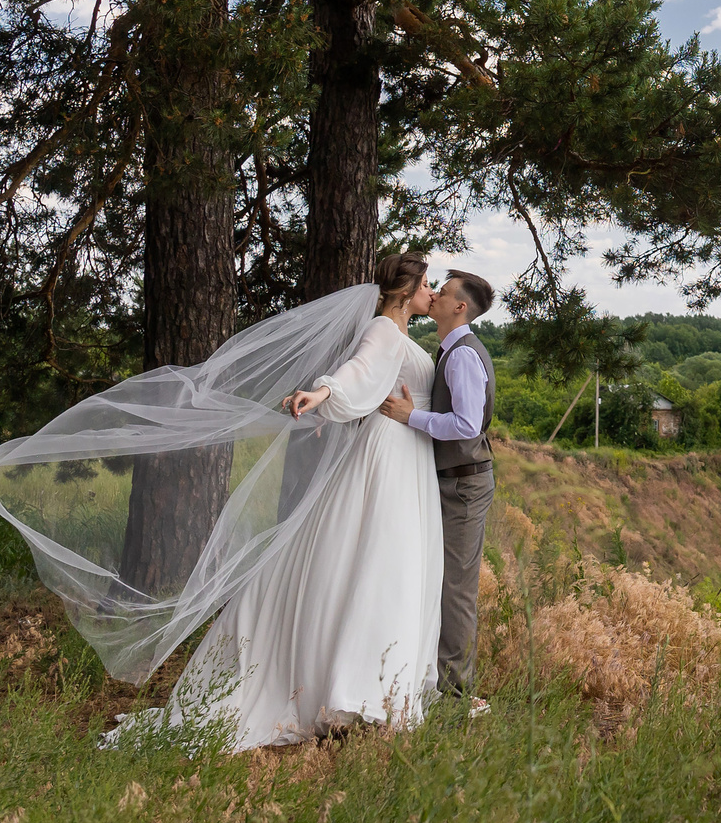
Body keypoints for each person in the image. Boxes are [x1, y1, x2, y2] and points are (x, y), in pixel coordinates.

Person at [119, 253, 447, 747]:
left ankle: (379, 689)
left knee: (384, 565)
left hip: (407, 452)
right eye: (429, 284)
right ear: (409, 287)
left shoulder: (402, 335)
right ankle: (354, 691)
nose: (434, 293)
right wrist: (321, 394)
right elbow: (357, 372)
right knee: (379, 560)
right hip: (389, 455)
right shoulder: (383, 329)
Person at [381, 269, 497, 716]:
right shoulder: (450, 350)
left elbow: (467, 426)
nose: (435, 296)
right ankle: (432, 680)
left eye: (443, 293)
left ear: (459, 307)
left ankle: (455, 697)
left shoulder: (464, 355)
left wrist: (412, 417)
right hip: (451, 481)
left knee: (457, 589)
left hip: (464, 484)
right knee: (440, 581)